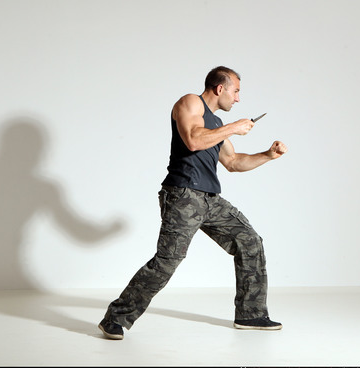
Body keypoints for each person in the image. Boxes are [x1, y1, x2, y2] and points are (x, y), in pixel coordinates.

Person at [99, 66, 287, 340]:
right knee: (168, 260)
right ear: (220, 88)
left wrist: (268, 155)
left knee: (250, 241)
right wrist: (234, 127)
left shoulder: (215, 124)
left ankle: (251, 314)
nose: (237, 99)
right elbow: (192, 140)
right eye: (236, 91)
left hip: (210, 199)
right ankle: (115, 319)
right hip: (183, 195)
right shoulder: (190, 102)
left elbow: (233, 163)